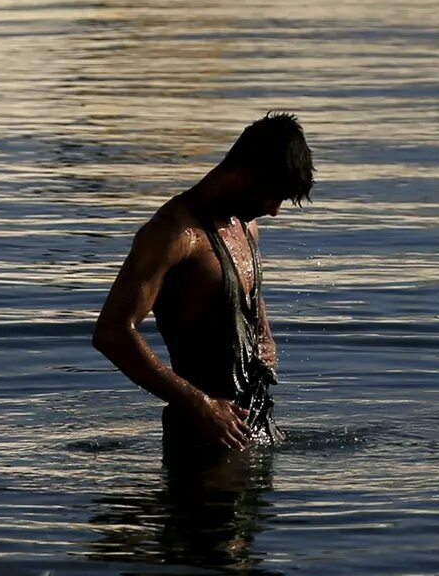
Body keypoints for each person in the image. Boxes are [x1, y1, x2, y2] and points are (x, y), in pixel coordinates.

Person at [92, 113, 315, 457]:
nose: (274, 211)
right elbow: (112, 331)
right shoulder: (174, 234)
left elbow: (246, 295)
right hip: (200, 444)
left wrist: (265, 335)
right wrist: (202, 405)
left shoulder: (246, 226)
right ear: (245, 173)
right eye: (273, 196)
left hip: (255, 430)